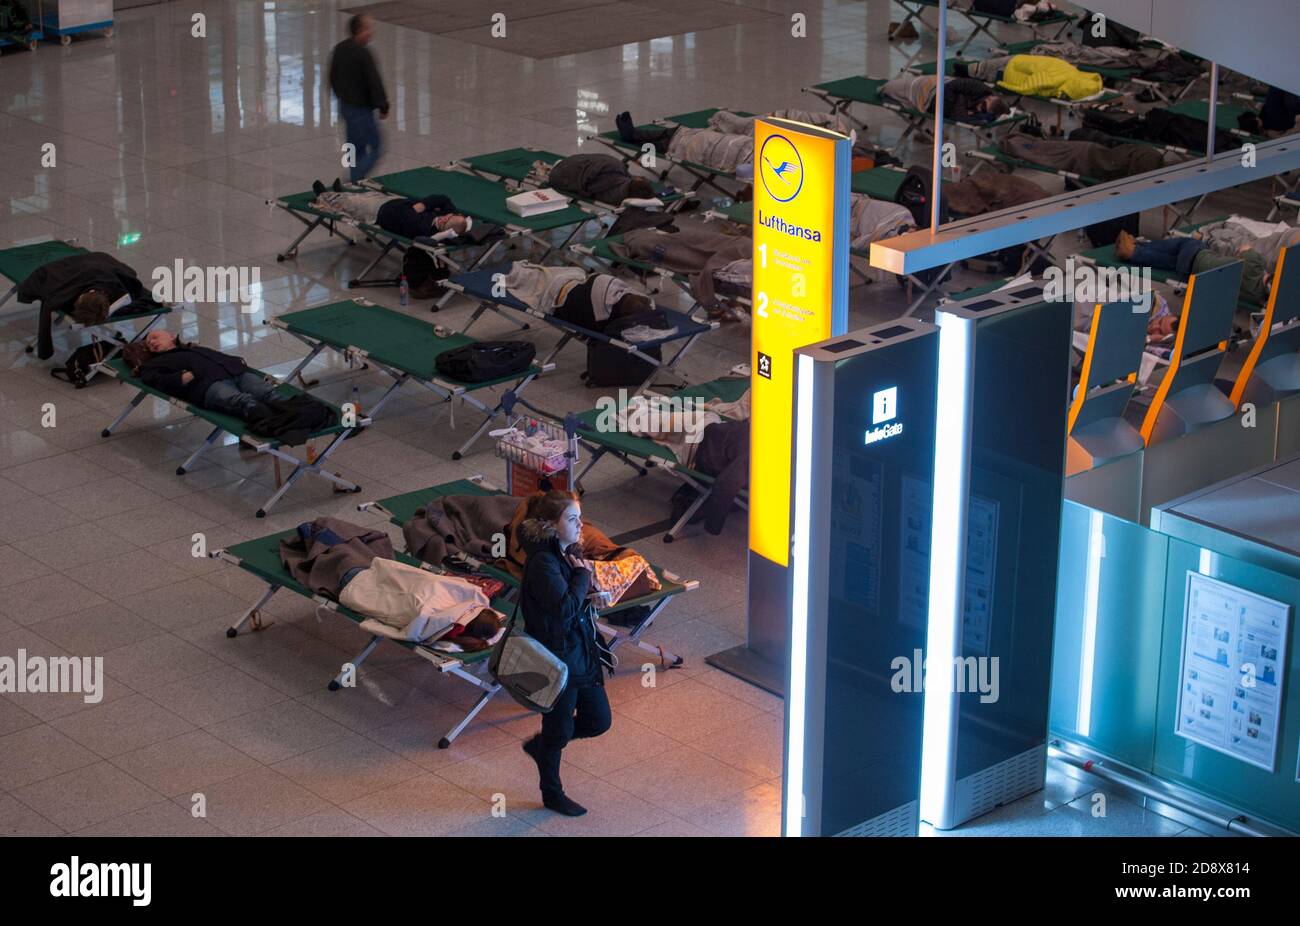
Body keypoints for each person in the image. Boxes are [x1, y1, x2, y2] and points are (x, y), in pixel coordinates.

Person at [516, 491, 612, 817]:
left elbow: (572, 604)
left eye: (579, 517)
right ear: (549, 525)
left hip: (579, 650)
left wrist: (591, 597)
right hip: (557, 659)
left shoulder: (566, 550)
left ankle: (542, 746)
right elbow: (563, 608)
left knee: (599, 720)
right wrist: (584, 576)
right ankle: (552, 793)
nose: (580, 524)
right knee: (557, 730)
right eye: (572, 519)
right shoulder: (543, 562)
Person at [15, 251, 151, 360]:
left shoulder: (119, 292)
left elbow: (130, 279)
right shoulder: (63, 293)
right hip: (92, 262)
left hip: (102, 263)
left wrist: (44, 351)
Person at [128, 329, 282, 418]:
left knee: (268, 393)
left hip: (233, 372)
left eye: (155, 337)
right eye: (149, 344)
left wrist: (237, 363)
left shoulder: (194, 349)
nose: (152, 342)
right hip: (205, 385)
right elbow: (157, 381)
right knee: (243, 402)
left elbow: (224, 358)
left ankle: (294, 411)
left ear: (172, 335)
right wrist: (184, 377)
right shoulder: (152, 364)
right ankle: (276, 420)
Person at [329, 14, 389, 182]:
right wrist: (383, 105)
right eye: (368, 29)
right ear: (360, 31)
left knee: (354, 147)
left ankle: (356, 178)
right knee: (377, 146)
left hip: (345, 106)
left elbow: (332, 77)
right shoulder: (363, 53)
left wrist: (341, 96)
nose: (371, 33)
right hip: (361, 109)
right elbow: (374, 81)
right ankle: (354, 178)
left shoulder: (340, 49)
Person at [311, 179, 471, 241]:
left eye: (444, 223)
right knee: (366, 194)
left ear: (446, 231)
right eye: (447, 216)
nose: (443, 219)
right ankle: (341, 191)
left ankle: (323, 195)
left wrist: (421, 205)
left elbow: (405, 212)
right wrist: (420, 207)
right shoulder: (447, 216)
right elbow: (442, 198)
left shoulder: (423, 229)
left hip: (377, 213)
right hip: (392, 202)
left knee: (350, 202)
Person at [881, 73, 1012, 121]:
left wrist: (959, 99)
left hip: (943, 92)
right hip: (931, 88)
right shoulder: (977, 87)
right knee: (890, 88)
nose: (979, 109)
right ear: (989, 97)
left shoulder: (984, 107)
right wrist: (959, 101)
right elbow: (950, 88)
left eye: (983, 111)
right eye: (983, 106)